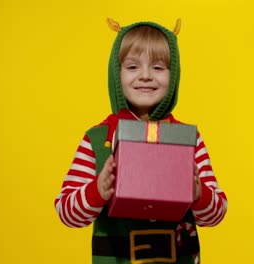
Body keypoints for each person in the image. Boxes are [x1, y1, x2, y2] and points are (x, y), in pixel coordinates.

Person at [54, 18, 228, 264]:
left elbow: (217, 213)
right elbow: (66, 212)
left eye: (158, 68)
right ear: (117, 73)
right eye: (133, 67)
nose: (145, 76)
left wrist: (198, 193)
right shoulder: (97, 139)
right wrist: (98, 189)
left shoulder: (188, 140)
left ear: (174, 75)